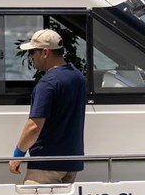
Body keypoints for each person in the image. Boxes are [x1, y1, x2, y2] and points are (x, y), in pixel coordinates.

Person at [9, 29, 87, 184]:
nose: (30, 57)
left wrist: (18, 155)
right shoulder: (77, 76)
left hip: (46, 164)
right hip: (72, 162)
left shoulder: (47, 83)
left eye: (32, 52)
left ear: (45, 52)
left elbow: (34, 127)